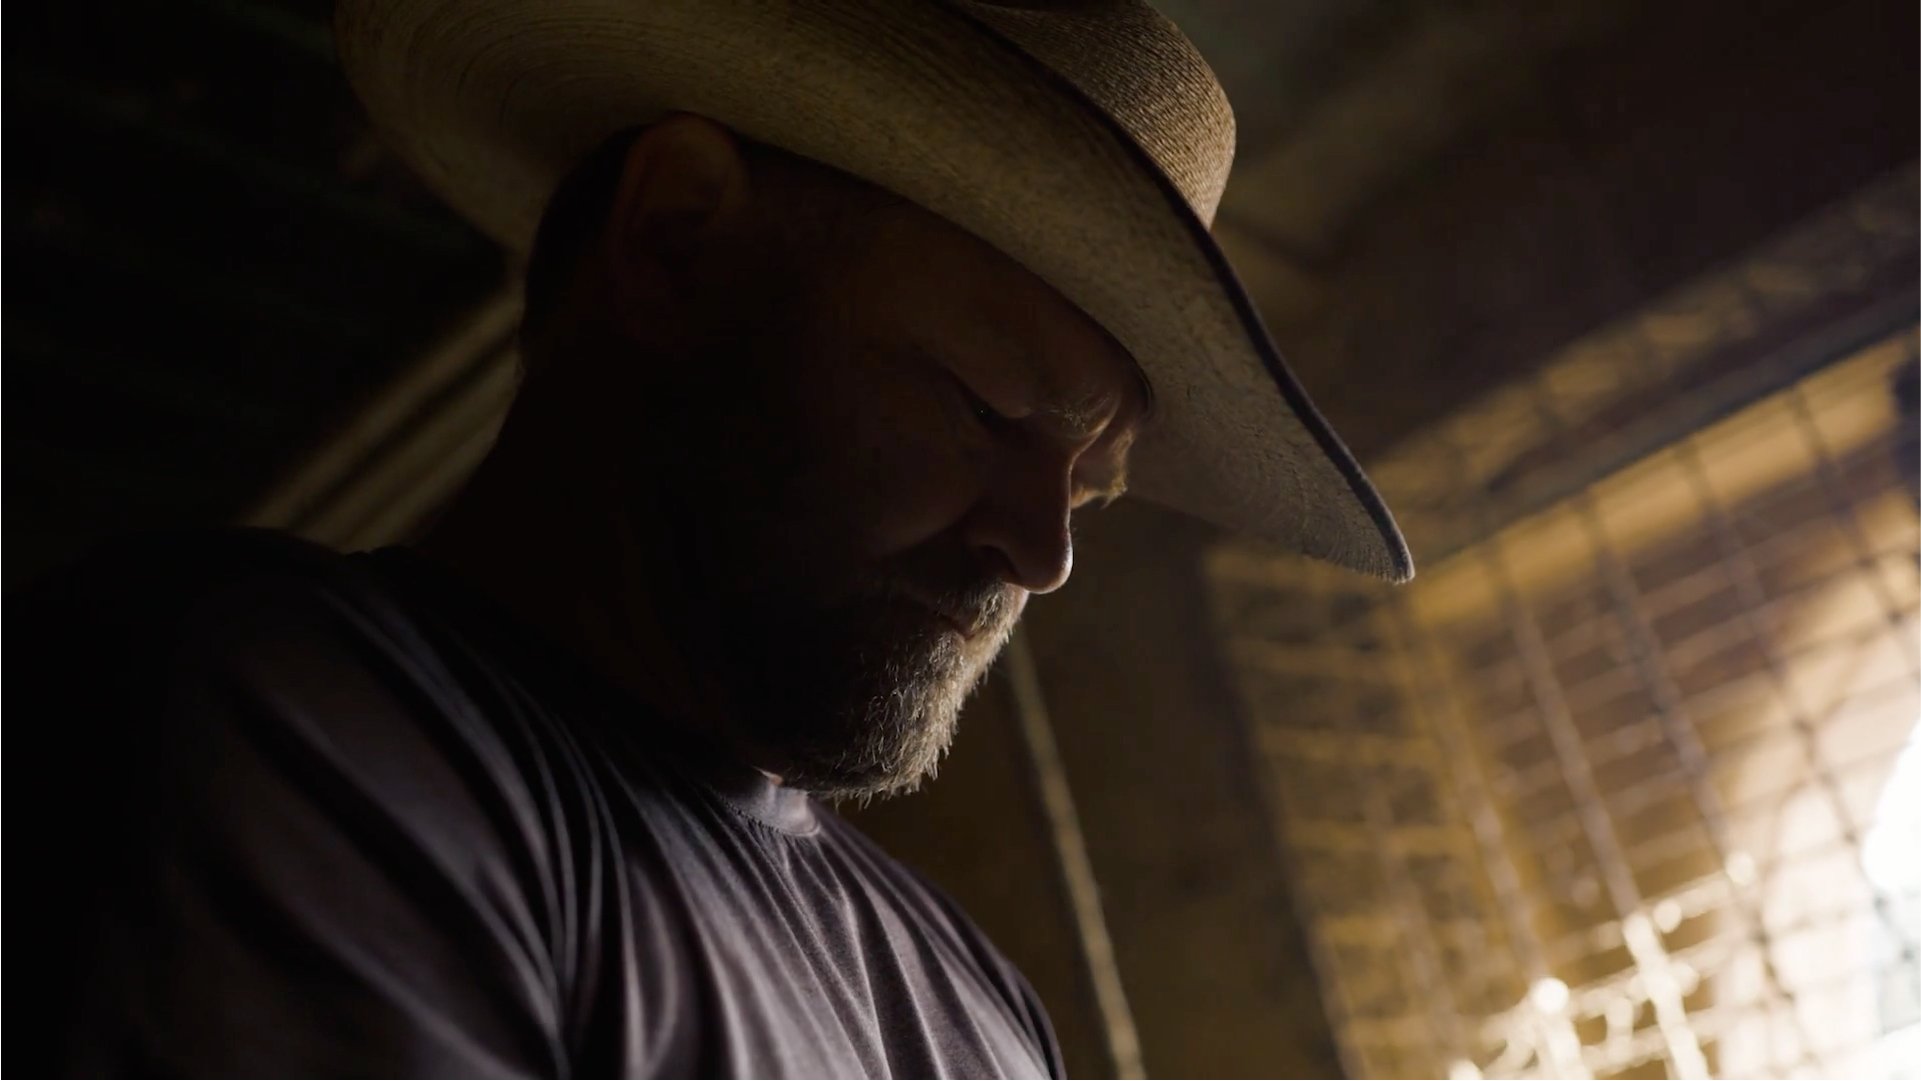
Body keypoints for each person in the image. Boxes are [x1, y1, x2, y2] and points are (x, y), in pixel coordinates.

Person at [7, 0, 1411, 1076]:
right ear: (673, 242)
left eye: (1091, 489)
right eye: (985, 407)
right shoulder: (288, 726)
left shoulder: (978, 1015)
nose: (1041, 551)